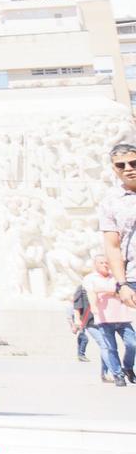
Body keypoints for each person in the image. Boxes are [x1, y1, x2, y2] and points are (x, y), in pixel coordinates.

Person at [81, 249, 135, 385]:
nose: (105, 265)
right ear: (95, 265)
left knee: (132, 344)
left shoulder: (118, 277)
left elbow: (122, 291)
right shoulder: (90, 278)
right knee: (111, 348)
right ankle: (118, 375)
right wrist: (112, 291)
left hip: (123, 317)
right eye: (102, 263)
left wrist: (104, 290)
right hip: (104, 319)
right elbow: (91, 293)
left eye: (107, 262)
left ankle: (128, 367)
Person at [99, 142, 136, 283]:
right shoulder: (110, 202)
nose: (128, 169)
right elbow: (112, 247)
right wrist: (122, 284)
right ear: (114, 169)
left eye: (134, 163)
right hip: (133, 278)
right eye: (121, 165)